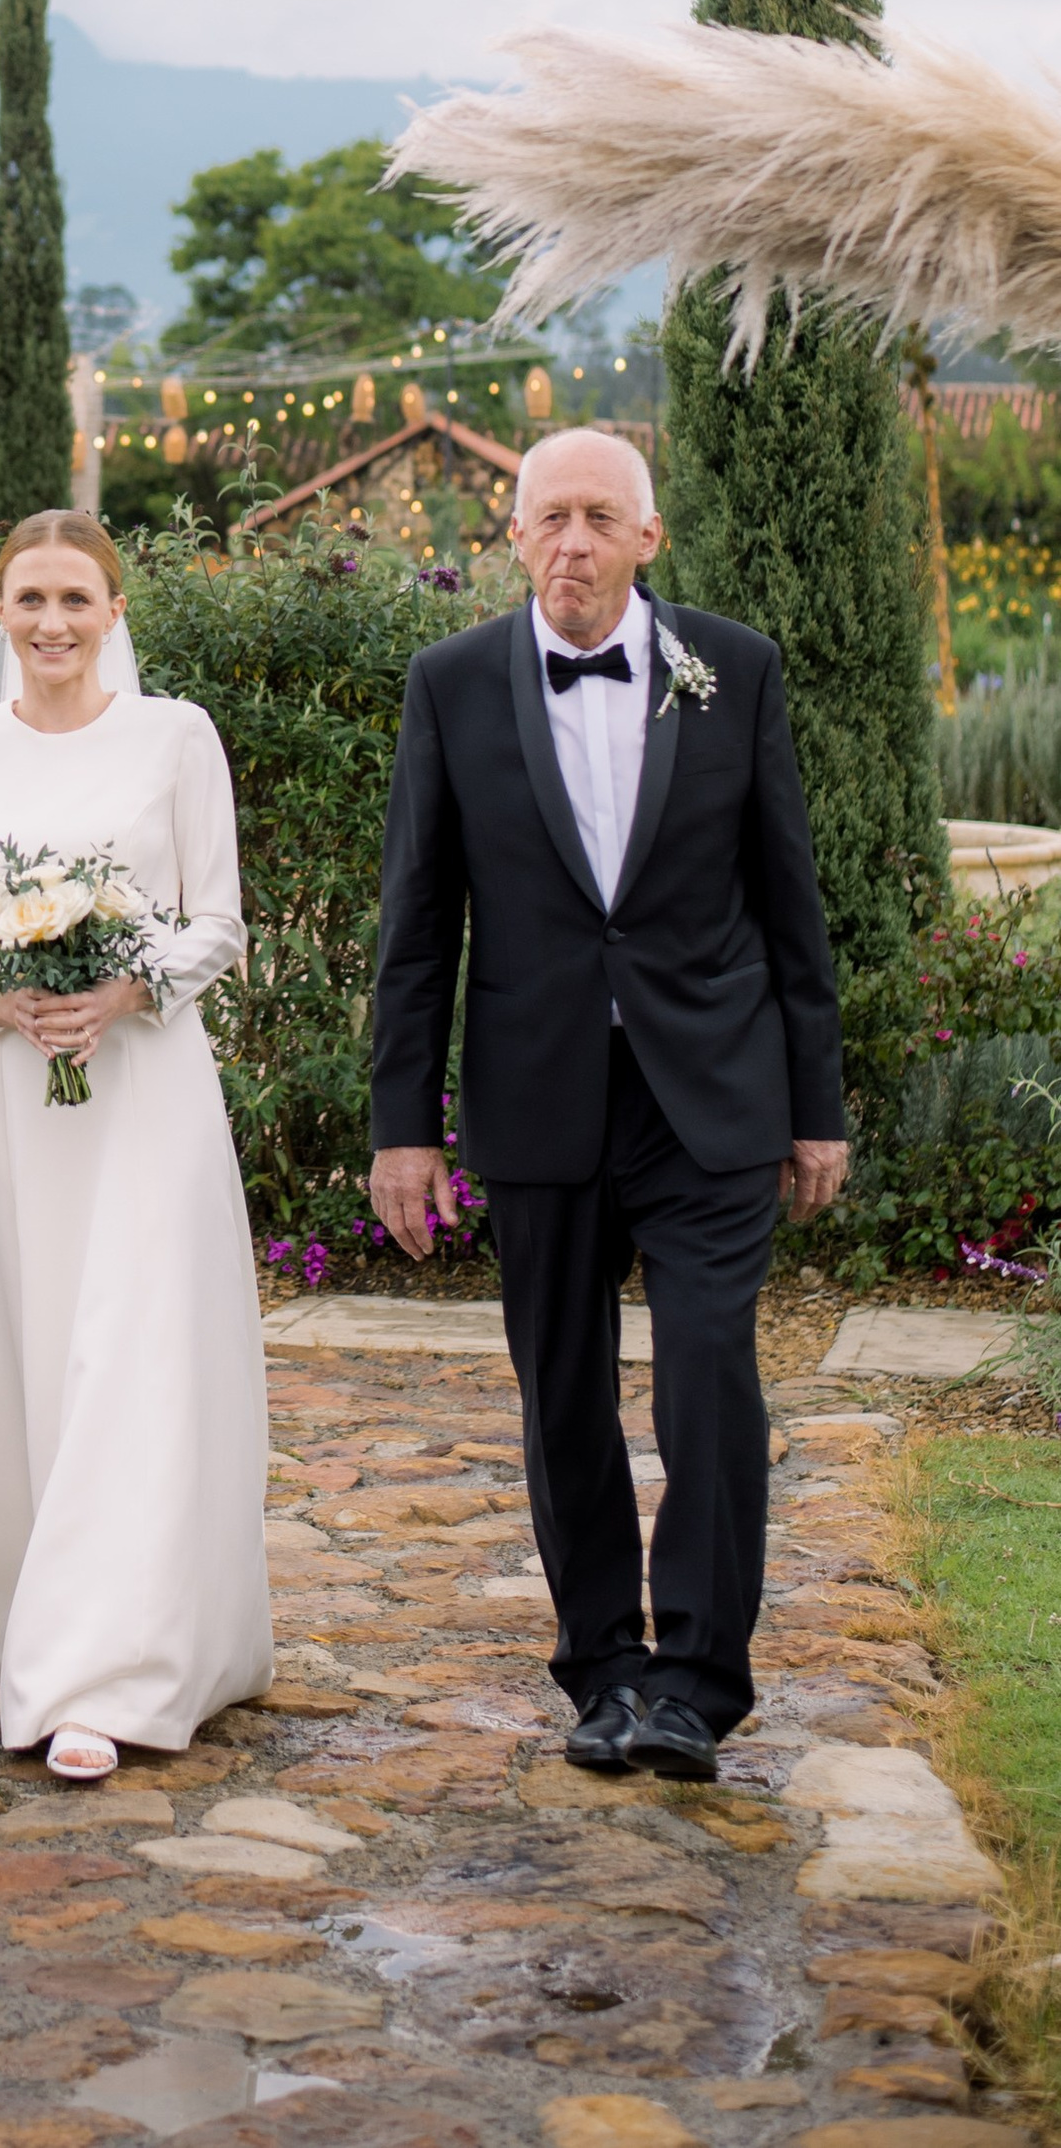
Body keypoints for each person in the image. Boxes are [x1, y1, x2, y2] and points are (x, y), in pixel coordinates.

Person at [369, 426, 847, 1779]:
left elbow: (789, 902)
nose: (570, 541)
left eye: (598, 516)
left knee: (708, 1377)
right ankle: (603, 1669)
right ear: (512, 537)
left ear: (649, 537)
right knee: (561, 1392)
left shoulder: (731, 670)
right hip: (539, 1094)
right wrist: (404, 1127)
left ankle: (697, 1680)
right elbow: (420, 925)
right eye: (547, 518)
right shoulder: (451, 683)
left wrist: (817, 1104)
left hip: (712, 1091)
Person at [0, 511, 271, 1778]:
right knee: (18, 1345)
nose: (51, 622)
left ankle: (108, 1667)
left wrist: (129, 984)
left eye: (75, 598)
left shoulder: (175, 736)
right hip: (6, 1096)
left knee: (132, 1358)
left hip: (143, 1093)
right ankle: (11, 1600)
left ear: (114, 608)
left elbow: (220, 919)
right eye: (29, 597)